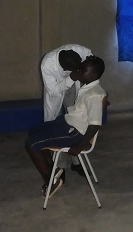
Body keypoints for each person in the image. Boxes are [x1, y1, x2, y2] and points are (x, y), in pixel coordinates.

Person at [26, 56, 106, 198]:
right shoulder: (88, 87)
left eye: (83, 70)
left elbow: (95, 124)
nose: (79, 71)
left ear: (93, 76)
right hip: (68, 123)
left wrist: (80, 146)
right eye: (80, 68)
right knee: (34, 131)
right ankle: (53, 169)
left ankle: (50, 181)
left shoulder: (94, 94)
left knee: (31, 144)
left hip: (75, 133)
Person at [40, 44, 92, 122]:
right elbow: (53, 91)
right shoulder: (47, 64)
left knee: (73, 111)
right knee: (54, 118)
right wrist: (71, 79)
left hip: (74, 83)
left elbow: (93, 64)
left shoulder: (80, 51)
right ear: (64, 69)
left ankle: (72, 125)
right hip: (56, 86)